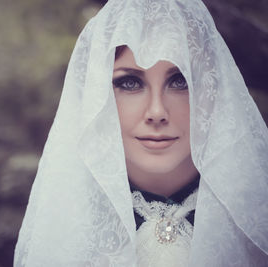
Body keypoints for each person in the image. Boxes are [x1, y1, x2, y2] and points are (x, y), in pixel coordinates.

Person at [14, 0, 268, 266]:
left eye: (181, 81)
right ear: (94, 98)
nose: (156, 111)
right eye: (130, 82)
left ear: (213, 92)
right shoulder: (62, 237)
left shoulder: (257, 223)